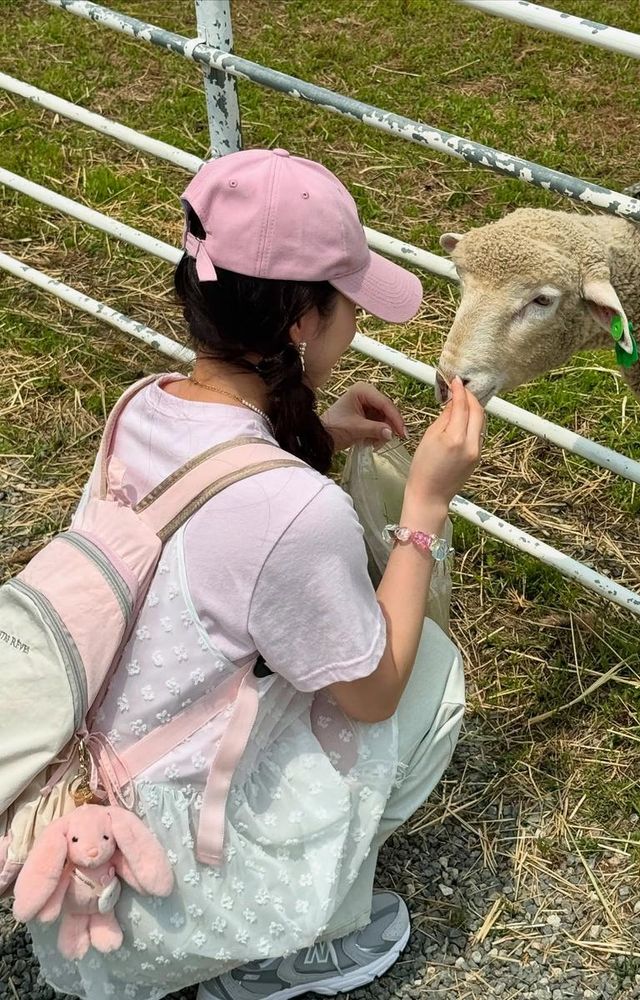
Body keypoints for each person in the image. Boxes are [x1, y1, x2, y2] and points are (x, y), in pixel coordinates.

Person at [28, 148, 484, 1000]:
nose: (357, 320)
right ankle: (275, 946)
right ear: (303, 322)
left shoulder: (143, 404)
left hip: (77, 830)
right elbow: (373, 694)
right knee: (427, 675)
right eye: (349, 300)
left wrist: (313, 431)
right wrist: (423, 507)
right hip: (156, 894)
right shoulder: (293, 512)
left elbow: (217, 509)